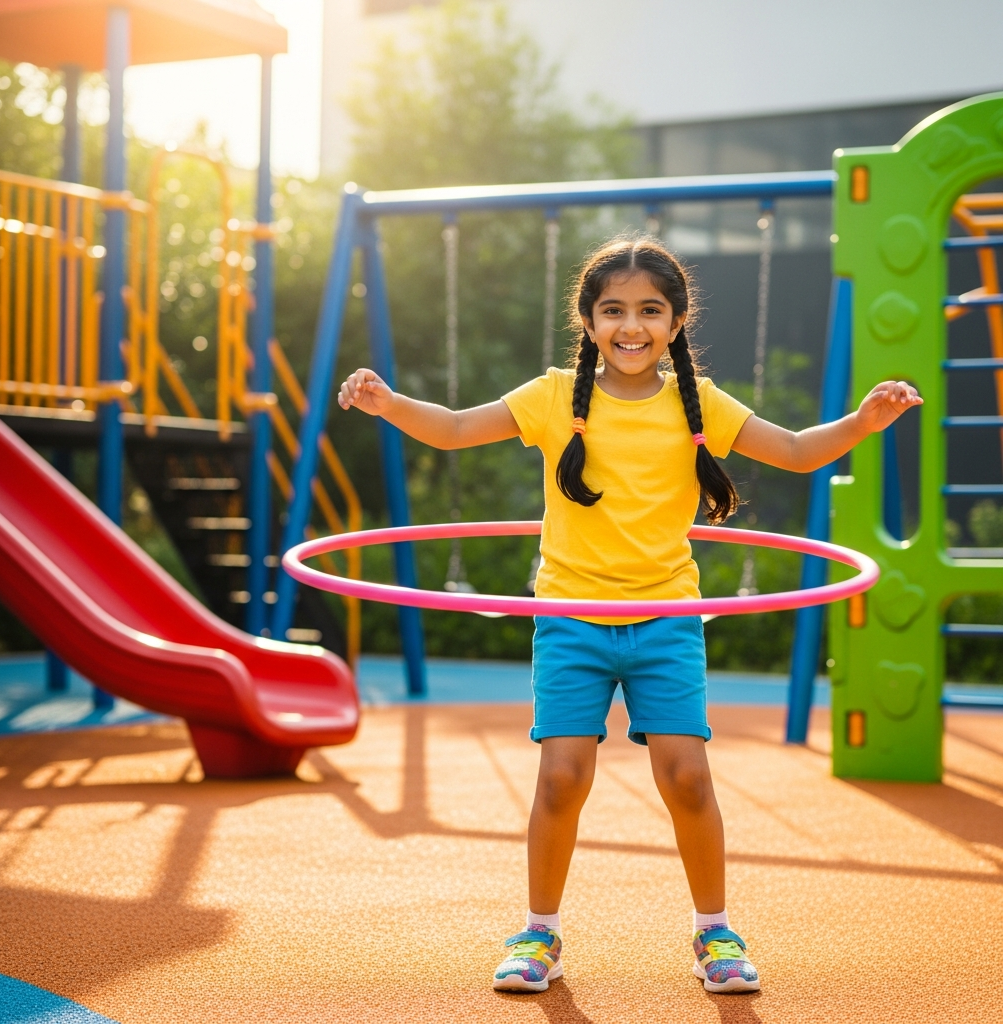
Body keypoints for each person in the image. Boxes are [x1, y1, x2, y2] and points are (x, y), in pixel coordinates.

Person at [337, 237, 920, 995]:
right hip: (572, 619)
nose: (631, 325)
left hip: (665, 620)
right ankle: (538, 932)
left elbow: (800, 450)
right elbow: (452, 428)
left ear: (676, 322)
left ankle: (715, 930)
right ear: (588, 321)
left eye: (650, 310)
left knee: (686, 777)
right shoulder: (552, 397)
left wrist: (863, 422)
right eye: (613, 310)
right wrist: (387, 404)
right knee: (561, 778)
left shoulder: (699, 402)